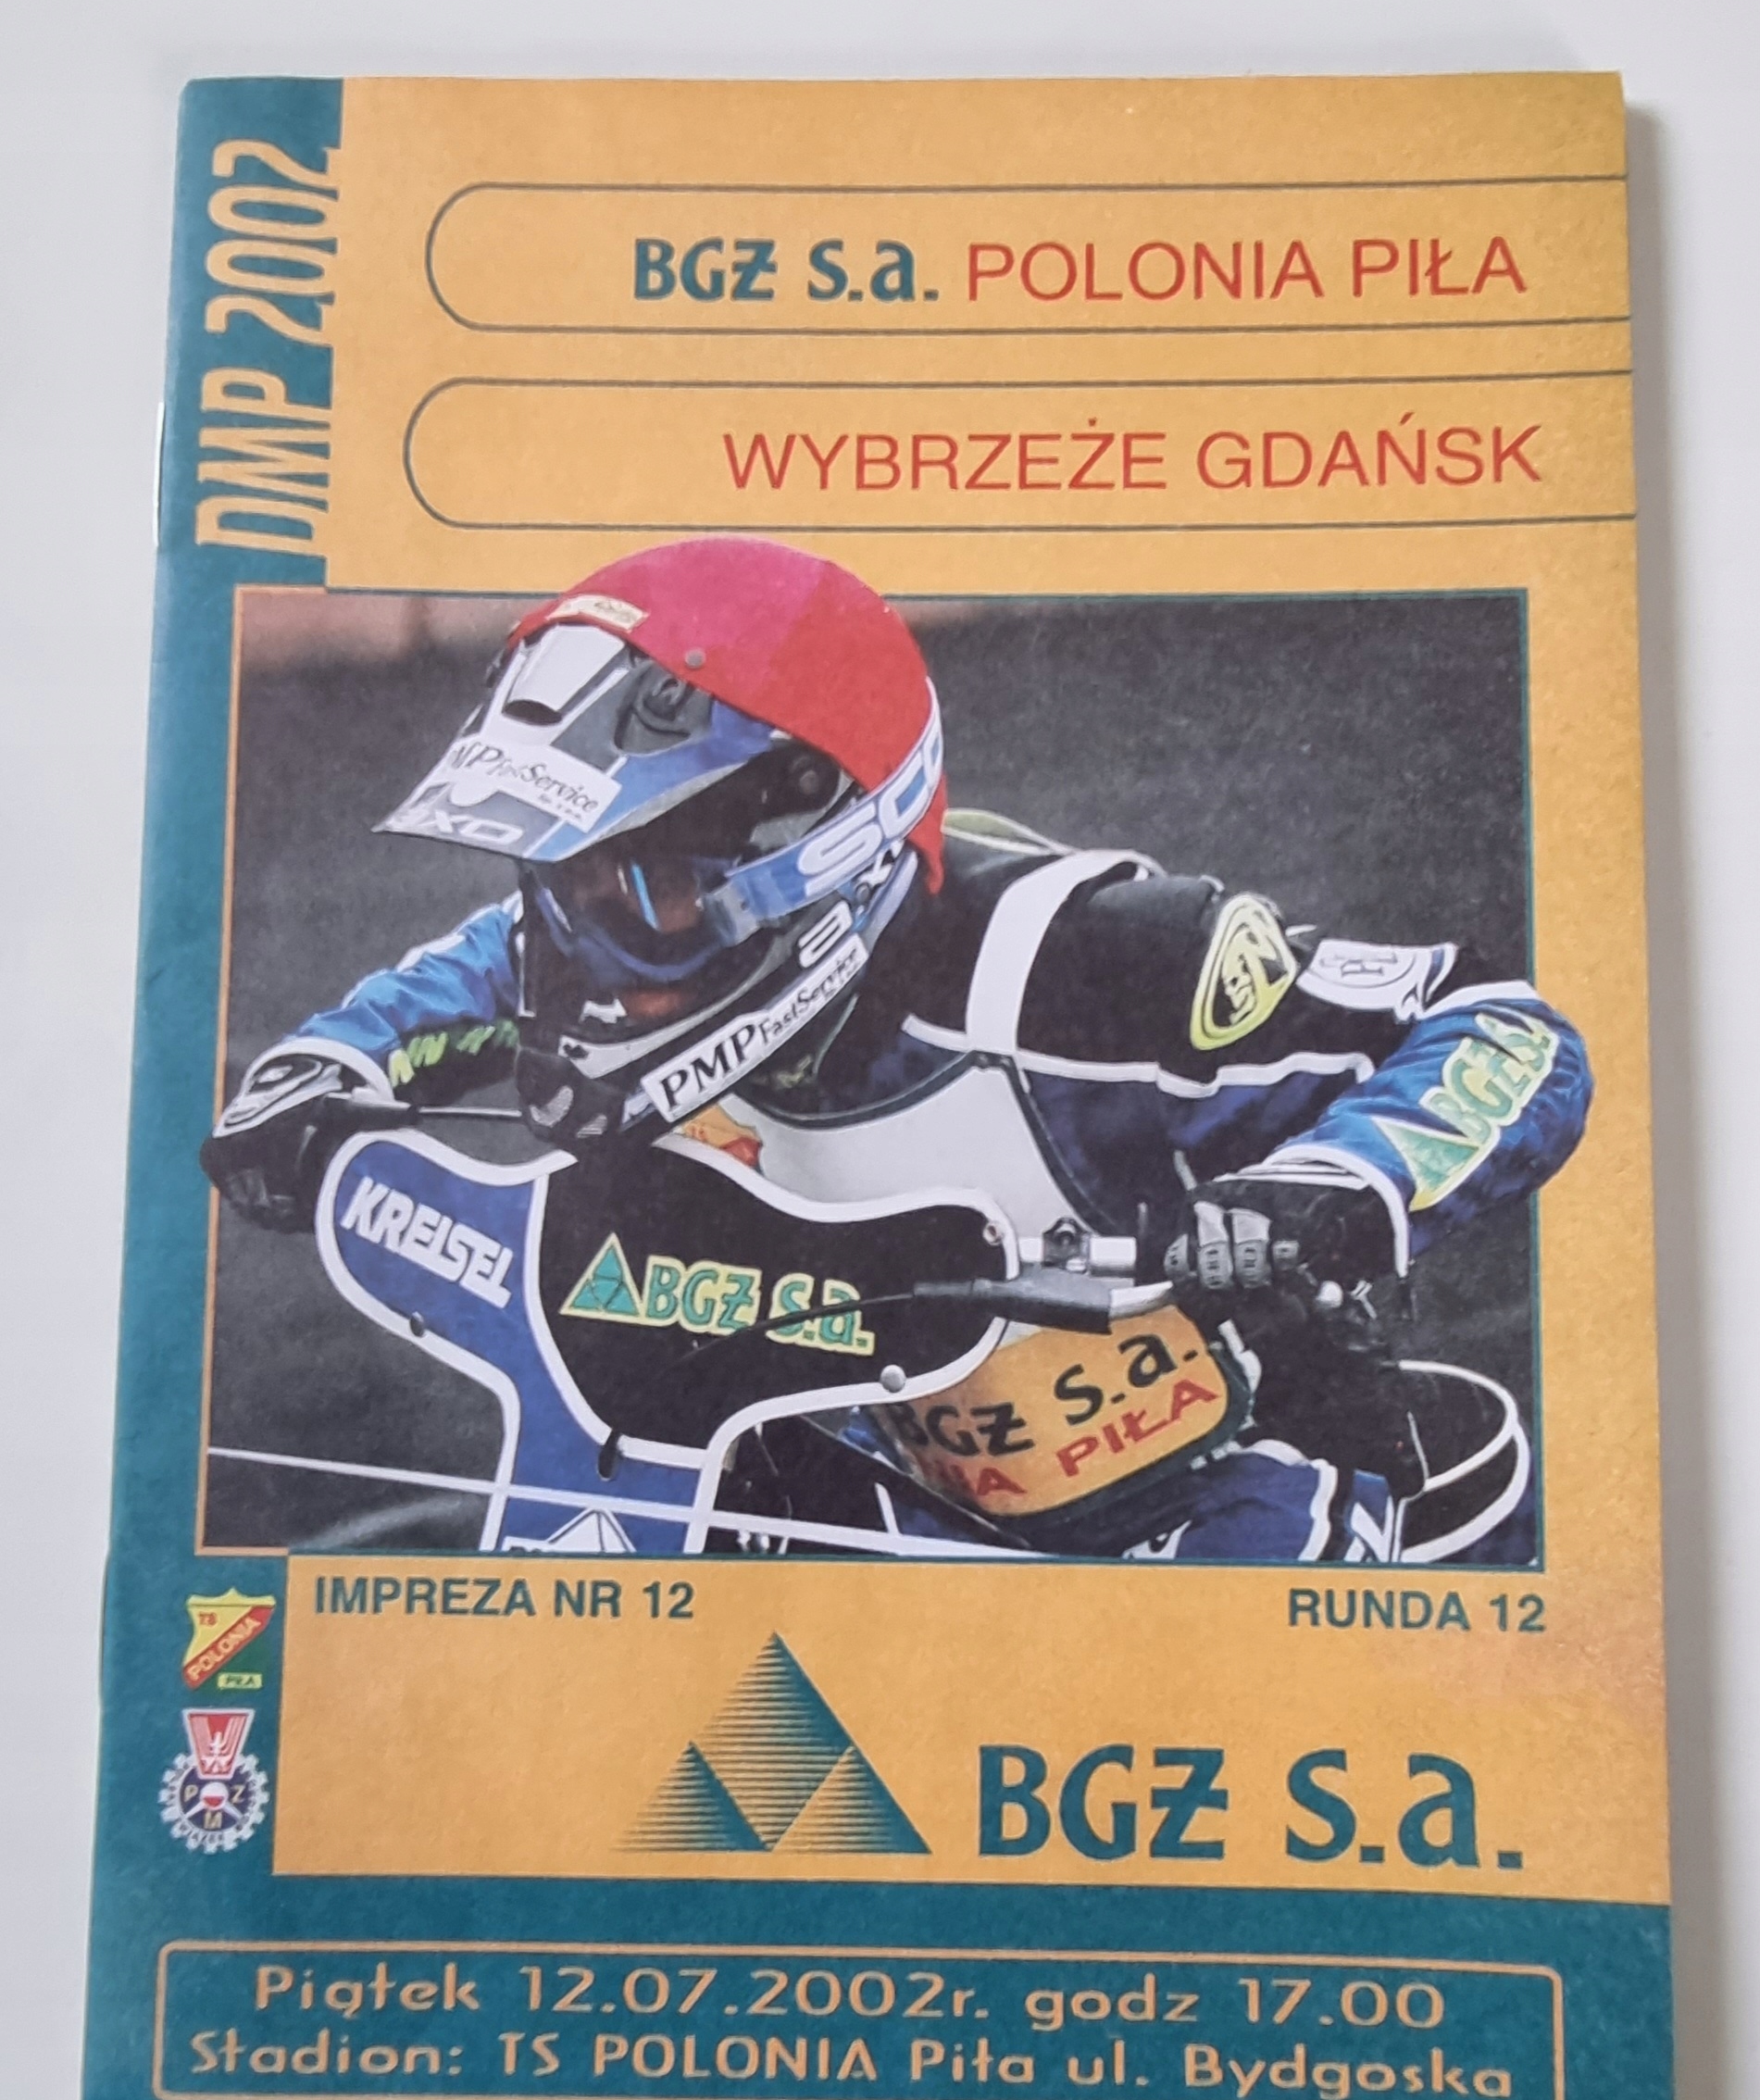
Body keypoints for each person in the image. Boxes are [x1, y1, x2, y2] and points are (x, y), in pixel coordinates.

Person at [202, 536, 1590, 1564]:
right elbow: (451, 984)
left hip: (1212, 1480)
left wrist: (1331, 1190)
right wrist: (317, 1078)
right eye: (564, 879)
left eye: (647, 885)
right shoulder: (600, 946)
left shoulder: (1091, 963)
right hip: (877, 1483)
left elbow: (1501, 1028)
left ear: (810, 856)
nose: (580, 954)